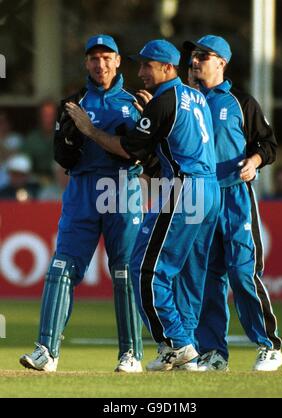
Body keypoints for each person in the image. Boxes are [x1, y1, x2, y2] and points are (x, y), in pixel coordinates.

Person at [66, 39, 221, 372]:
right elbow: (171, 136)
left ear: (166, 68)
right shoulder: (195, 97)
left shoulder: (165, 100)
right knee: (189, 273)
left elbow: (129, 150)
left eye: (146, 66)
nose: (140, 73)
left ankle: (175, 344)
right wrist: (147, 115)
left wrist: (89, 129)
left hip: (183, 188)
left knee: (145, 269)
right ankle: (188, 345)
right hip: (210, 191)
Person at [20, 34, 144, 373]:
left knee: (124, 272)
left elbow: (143, 151)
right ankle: (47, 351)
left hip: (122, 188)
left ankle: (131, 354)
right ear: (86, 63)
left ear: (118, 61)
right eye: (94, 58)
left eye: (107, 57)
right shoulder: (73, 102)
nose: (100, 64)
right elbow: (62, 156)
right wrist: (71, 137)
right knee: (61, 269)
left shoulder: (136, 102)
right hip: (83, 189)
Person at [177, 34, 282, 372]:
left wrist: (254, 161)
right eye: (194, 56)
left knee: (242, 273)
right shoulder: (184, 101)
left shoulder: (241, 102)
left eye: (203, 56)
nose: (195, 61)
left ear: (222, 62)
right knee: (209, 278)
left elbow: (268, 144)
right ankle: (213, 353)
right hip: (200, 198)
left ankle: (269, 345)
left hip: (235, 195)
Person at [22, 100, 58, 180]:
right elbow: (24, 163)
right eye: (45, 115)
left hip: (61, 180)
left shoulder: (65, 136)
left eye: (51, 115)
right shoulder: (31, 138)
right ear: (39, 117)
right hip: (35, 179)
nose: (49, 119)